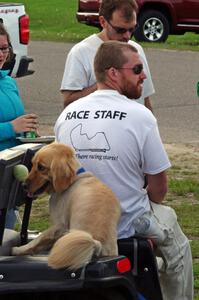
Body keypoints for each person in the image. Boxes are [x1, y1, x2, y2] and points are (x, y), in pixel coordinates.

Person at [54, 41, 193, 300]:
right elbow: (159, 191)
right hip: (126, 222)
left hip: (76, 222)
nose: (144, 75)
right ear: (113, 73)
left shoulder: (67, 115)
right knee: (178, 247)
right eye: (138, 69)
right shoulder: (139, 115)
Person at [60, 0, 154, 112]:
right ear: (103, 22)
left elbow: (145, 99)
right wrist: (104, 83)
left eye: (132, 29)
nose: (127, 36)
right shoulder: (81, 52)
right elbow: (69, 102)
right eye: (120, 30)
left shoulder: (136, 50)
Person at [0, 23, 38, 228]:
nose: (1, 54)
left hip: (9, 174)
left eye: (4, 48)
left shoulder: (8, 82)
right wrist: (11, 128)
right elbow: (11, 124)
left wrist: (28, 131)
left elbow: (16, 121)